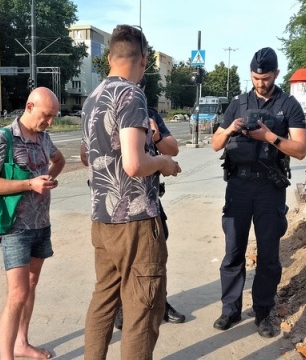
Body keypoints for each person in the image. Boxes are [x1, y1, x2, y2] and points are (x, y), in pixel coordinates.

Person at [80, 25, 181, 360]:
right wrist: (164, 161)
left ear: (110, 57)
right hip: (135, 219)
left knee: (104, 300)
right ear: (144, 60)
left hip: (102, 218)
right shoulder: (132, 95)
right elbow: (135, 164)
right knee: (142, 311)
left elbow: (85, 156)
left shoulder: (92, 99)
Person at [210, 47, 306, 337]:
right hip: (238, 186)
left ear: (276, 74)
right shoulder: (238, 103)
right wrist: (229, 130)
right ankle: (230, 309)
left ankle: (263, 311)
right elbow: (216, 143)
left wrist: (269, 136)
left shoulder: (289, 105)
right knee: (233, 252)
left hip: (269, 187)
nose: (260, 83)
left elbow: (300, 150)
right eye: (255, 77)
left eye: (265, 78)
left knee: (268, 254)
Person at [0, 87, 65, 360]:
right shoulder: (2, 138)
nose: (50, 122)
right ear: (29, 107)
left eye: (53, 116)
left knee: (30, 286)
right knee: (17, 294)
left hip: (41, 224)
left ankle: (22, 343)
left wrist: (48, 179)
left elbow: (59, 160)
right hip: (15, 228)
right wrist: (30, 183)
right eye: (46, 115)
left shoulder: (44, 138)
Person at [112, 76, 186, 330]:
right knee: (122, 259)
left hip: (150, 200)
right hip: (119, 201)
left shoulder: (150, 113)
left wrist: (154, 137)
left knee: (158, 251)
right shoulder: (110, 110)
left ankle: (161, 302)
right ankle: (122, 308)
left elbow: (173, 148)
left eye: (139, 86)